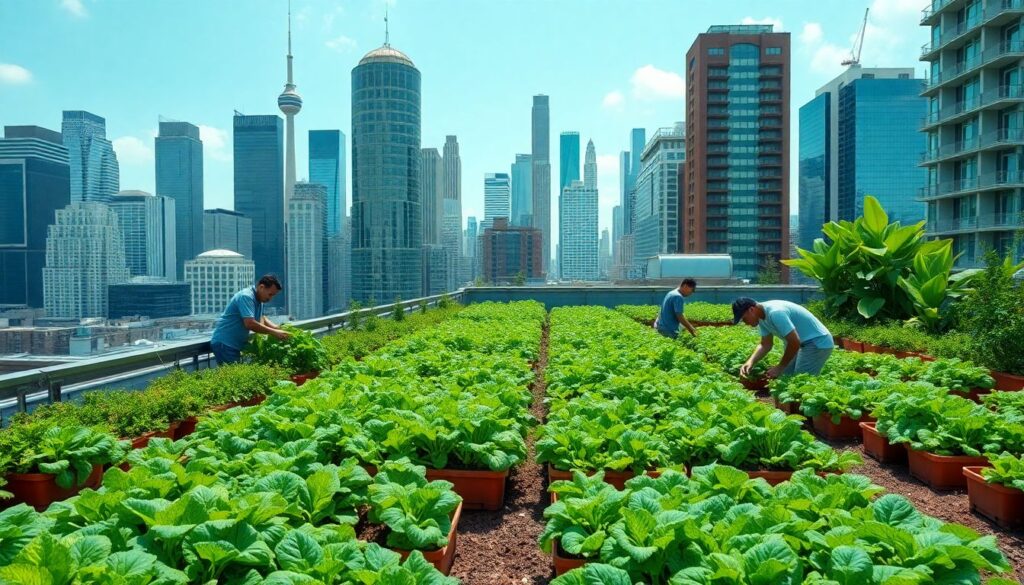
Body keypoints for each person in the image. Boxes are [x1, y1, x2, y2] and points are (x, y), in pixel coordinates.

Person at [732, 297, 834, 379]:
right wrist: (750, 361)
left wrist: (780, 366)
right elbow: (765, 344)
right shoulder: (760, 317)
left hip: (817, 342)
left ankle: (804, 404)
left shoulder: (775, 312)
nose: (745, 323)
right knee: (785, 377)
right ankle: (790, 404)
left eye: (744, 319)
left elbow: (794, 341)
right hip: (799, 344)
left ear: (751, 310)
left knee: (801, 380)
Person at [209, 274, 290, 365]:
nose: (270, 298)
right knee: (235, 377)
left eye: (273, 296)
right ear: (261, 287)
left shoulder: (259, 299)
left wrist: (277, 328)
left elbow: (261, 318)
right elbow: (250, 323)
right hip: (226, 344)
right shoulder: (246, 296)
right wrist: (274, 332)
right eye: (270, 294)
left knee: (237, 375)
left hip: (234, 345)